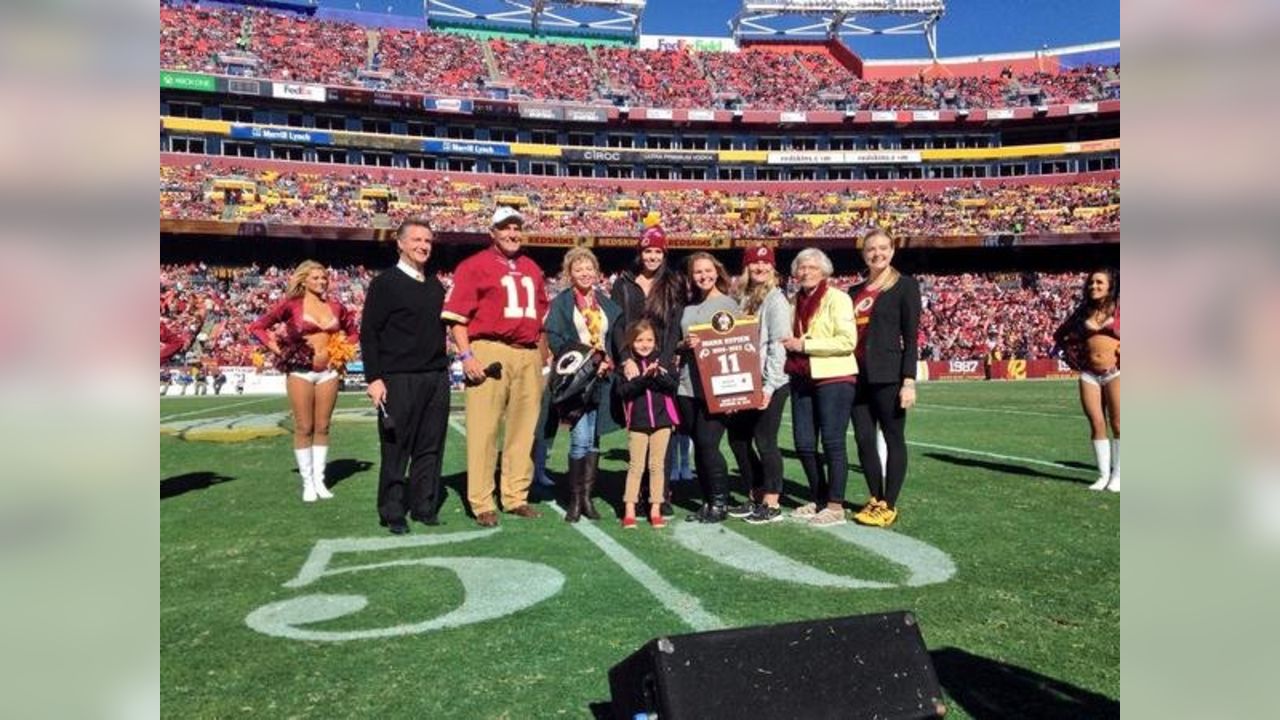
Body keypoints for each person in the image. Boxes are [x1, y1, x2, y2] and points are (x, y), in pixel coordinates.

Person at [442, 206, 549, 527]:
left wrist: (543, 358)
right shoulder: (474, 266)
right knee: (484, 430)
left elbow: (541, 319)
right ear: (493, 233)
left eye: (517, 228)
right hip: (489, 348)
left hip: (527, 352)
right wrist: (467, 356)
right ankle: (482, 501)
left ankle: (515, 495)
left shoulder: (532, 267)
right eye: (505, 228)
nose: (512, 233)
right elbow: (456, 319)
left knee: (523, 430)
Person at [361, 218, 452, 534]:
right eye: (416, 239)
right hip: (398, 379)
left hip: (436, 377)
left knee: (430, 446)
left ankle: (424, 506)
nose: (423, 245)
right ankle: (393, 510)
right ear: (399, 243)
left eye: (427, 240)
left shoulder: (435, 285)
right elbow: (369, 333)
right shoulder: (384, 284)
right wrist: (374, 378)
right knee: (396, 447)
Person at [249, 260, 360, 503]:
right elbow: (258, 327)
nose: (322, 282)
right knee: (304, 427)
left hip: (329, 372)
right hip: (300, 371)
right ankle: (307, 483)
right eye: (316, 278)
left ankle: (320, 480)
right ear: (304, 280)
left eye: (324, 278)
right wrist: (277, 349)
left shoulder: (336, 306)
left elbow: (353, 333)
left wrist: (342, 352)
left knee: (323, 426)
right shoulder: (291, 305)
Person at [610, 225, 691, 512]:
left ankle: (661, 494)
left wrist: (665, 361)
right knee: (639, 425)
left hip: (661, 361)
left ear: (664, 253)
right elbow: (618, 324)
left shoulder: (674, 282)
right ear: (639, 252)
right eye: (648, 250)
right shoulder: (623, 283)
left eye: (658, 251)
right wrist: (625, 358)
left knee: (662, 425)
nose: (652, 256)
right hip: (633, 360)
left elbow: (673, 328)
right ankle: (640, 492)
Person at [848, 230, 922, 528]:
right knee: (864, 440)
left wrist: (908, 380)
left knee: (893, 438)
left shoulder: (905, 286)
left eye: (882, 248)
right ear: (863, 253)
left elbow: (911, 338)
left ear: (892, 251)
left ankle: (889, 503)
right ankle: (875, 498)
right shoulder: (853, 291)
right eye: (871, 249)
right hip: (856, 376)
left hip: (888, 375)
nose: (877, 254)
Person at [542, 247, 622, 522]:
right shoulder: (563, 303)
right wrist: (586, 360)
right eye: (579, 269)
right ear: (569, 274)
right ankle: (575, 500)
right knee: (580, 438)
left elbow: (615, 337)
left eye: (589, 269)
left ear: (597, 273)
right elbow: (554, 337)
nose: (585, 273)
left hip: (603, 377)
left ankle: (588, 498)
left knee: (595, 438)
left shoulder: (605, 303)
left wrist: (607, 360)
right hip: (577, 378)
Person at [781, 248, 858, 527]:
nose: (806, 272)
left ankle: (835, 505)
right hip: (802, 376)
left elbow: (847, 341)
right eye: (801, 267)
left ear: (824, 271)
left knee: (833, 442)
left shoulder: (838, 298)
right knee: (803, 442)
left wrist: (806, 345)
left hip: (834, 376)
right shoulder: (792, 301)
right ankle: (819, 497)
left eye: (812, 267)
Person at [725, 245, 793, 525]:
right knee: (738, 439)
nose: (761, 268)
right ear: (747, 268)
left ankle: (772, 502)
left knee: (765, 440)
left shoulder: (776, 300)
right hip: (745, 380)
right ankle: (755, 493)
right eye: (755, 264)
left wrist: (769, 386)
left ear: (773, 268)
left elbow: (779, 345)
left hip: (770, 382)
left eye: (766, 264)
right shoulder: (743, 298)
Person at [677, 252, 742, 523]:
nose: (704, 276)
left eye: (708, 270)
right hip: (687, 385)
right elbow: (680, 344)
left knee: (708, 444)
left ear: (717, 271)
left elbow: (736, 344)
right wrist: (684, 345)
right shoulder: (689, 307)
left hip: (716, 386)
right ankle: (707, 501)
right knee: (699, 443)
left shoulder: (727, 303)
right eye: (697, 272)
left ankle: (719, 502)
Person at [1053, 268, 1120, 492]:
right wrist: (1074, 355)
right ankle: (1102, 476)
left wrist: (1113, 330)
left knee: (1119, 424)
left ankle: (1118, 476)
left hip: (1115, 372)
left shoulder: (1120, 310)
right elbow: (1059, 335)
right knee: (1096, 423)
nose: (1094, 286)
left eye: (1100, 283)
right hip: (1089, 374)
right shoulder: (1082, 312)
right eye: (1091, 283)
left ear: (1110, 286)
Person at [616, 320, 679, 529]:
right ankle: (630, 509)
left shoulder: (663, 362)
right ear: (632, 342)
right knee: (636, 467)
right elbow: (623, 392)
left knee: (657, 466)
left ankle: (655, 508)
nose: (645, 344)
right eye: (640, 340)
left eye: (649, 340)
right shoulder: (628, 365)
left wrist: (658, 374)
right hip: (638, 423)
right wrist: (643, 379)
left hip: (662, 422)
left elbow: (672, 386)